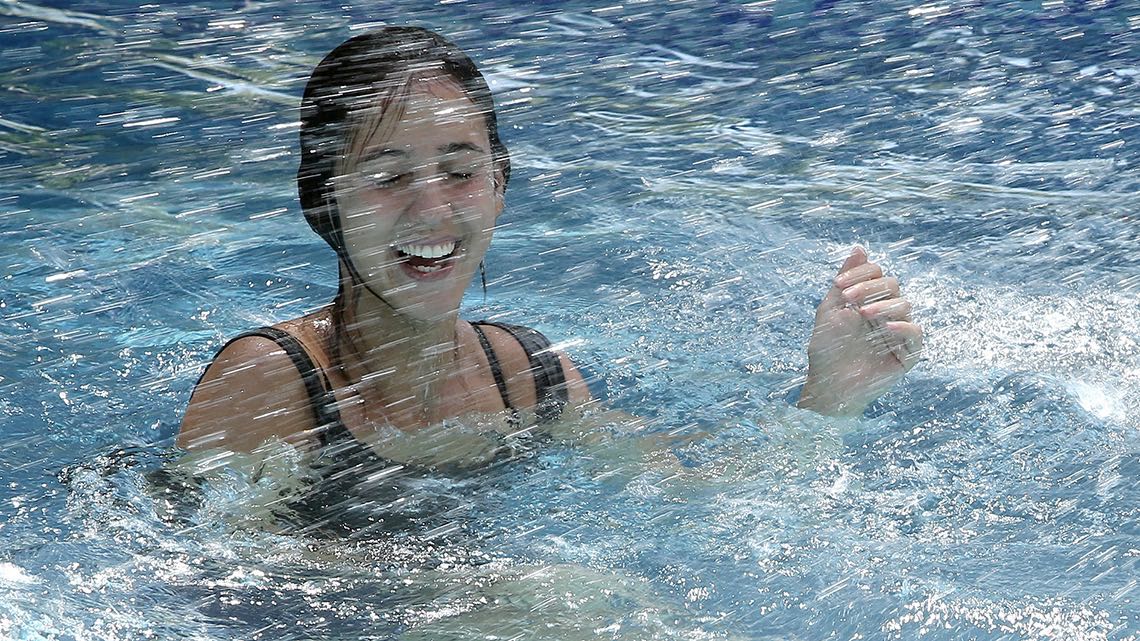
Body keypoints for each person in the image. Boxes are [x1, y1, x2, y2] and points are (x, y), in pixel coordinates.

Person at [177, 27, 923, 470]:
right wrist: (475, 597)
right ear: (323, 200)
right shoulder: (272, 381)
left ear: (500, 184)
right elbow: (204, 572)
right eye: (388, 177)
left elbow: (690, 491)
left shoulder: (526, 374)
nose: (432, 209)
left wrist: (833, 395)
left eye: (461, 171)